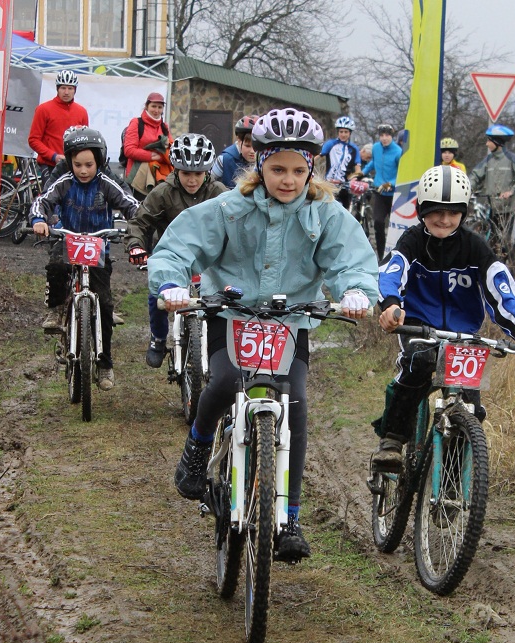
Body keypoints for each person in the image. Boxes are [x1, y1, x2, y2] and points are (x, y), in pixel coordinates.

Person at [148, 108, 379, 561]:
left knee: (294, 402)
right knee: (225, 377)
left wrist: (356, 290)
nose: (287, 179)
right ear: (260, 165)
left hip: (290, 321)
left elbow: (352, 258)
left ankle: (288, 516)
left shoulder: (326, 214)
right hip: (231, 314)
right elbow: (180, 244)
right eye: (277, 169)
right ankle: (197, 446)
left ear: (312, 169)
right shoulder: (230, 208)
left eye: (297, 170)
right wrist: (172, 282)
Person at [370, 165, 515, 471]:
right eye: (435, 212)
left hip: (463, 335)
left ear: (464, 212)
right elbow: (391, 273)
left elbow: (503, 291)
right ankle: (392, 438)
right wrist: (390, 306)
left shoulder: (475, 248)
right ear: (421, 211)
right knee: (418, 363)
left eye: (453, 212)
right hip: (417, 324)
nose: (444, 219)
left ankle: (454, 481)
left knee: (471, 404)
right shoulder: (412, 242)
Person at [31, 128, 140, 391]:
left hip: (98, 244)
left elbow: (130, 203)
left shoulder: (106, 182)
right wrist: (38, 220)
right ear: (69, 162)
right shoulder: (64, 182)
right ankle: (57, 308)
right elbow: (42, 202)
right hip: (66, 239)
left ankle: (105, 363)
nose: (83, 170)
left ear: (99, 161)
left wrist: (138, 221)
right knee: (57, 266)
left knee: (103, 304)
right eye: (77, 164)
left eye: (89, 165)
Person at [126, 133, 227, 367]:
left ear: (207, 172)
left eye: (198, 174)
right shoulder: (162, 192)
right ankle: (159, 338)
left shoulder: (219, 192)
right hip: (173, 259)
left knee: (224, 301)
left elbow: (239, 223)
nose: (192, 180)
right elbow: (140, 222)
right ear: (175, 170)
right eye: (186, 173)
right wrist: (136, 246)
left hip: (210, 259)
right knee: (157, 295)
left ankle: (221, 344)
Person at [28, 70, 89, 182]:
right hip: (49, 164)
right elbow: (33, 140)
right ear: (57, 89)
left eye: (70, 88)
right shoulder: (43, 109)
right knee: (51, 197)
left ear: (75, 90)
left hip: (73, 165)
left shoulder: (82, 112)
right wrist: (53, 156)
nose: (66, 92)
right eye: (63, 88)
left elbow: (85, 141)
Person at [469, 124, 515, 230]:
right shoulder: (487, 160)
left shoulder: (512, 159)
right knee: (491, 241)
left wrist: (512, 191)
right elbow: (475, 176)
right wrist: (467, 189)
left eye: (489, 141)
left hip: (508, 209)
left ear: (497, 142)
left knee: (507, 242)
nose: (486, 144)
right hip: (491, 208)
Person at [362, 123, 403, 260]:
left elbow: (402, 174)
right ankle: (381, 256)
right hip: (379, 192)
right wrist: (361, 173)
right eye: (382, 135)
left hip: (394, 195)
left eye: (387, 135)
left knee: (394, 226)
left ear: (392, 136)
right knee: (378, 222)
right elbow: (373, 163)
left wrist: (391, 183)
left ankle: (397, 253)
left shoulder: (398, 152)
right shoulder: (376, 148)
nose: (384, 138)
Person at [122, 92, 173, 201]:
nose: (156, 110)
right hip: (138, 176)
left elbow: (171, 148)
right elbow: (129, 150)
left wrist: (163, 155)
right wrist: (151, 156)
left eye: (160, 107)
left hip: (159, 175)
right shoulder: (136, 123)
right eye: (153, 106)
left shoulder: (164, 127)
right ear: (147, 106)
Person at [320, 115, 362, 208]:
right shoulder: (330, 144)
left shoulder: (354, 149)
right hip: (329, 183)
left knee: (344, 211)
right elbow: (317, 156)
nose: (343, 134)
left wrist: (355, 177)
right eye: (341, 132)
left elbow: (358, 169)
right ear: (338, 132)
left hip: (344, 185)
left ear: (350, 133)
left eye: (346, 132)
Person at [211, 114, 257, 188]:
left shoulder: (264, 161)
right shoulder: (225, 159)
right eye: (247, 146)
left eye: (256, 147)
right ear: (239, 141)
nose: (252, 151)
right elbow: (209, 183)